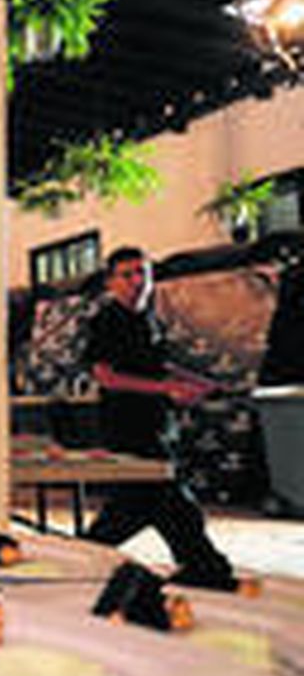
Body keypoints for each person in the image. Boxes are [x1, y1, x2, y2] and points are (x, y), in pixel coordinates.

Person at [81, 246, 239, 589]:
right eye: (127, 274)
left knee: (143, 504)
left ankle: (80, 556)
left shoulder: (148, 319)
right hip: (127, 427)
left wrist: (197, 382)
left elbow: (159, 365)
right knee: (170, 501)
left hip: (158, 424)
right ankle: (206, 567)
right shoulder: (106, 321)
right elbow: (106, 376)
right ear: (111, 283)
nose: (138, 281)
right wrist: (166, 389)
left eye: (144, 273)